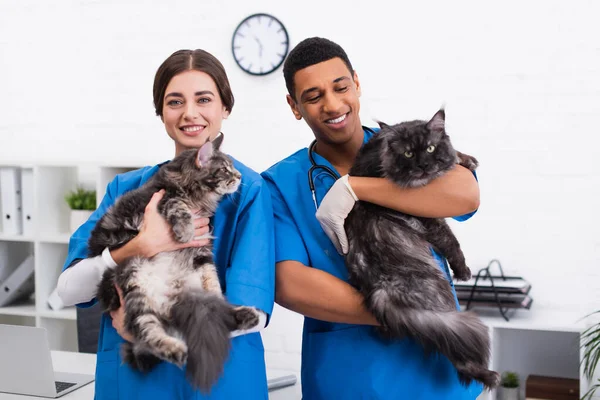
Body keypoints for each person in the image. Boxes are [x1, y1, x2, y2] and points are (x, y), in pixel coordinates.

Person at [261, 37, 483, 399]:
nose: (332, 104)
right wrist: (405, 312)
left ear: (357, 84)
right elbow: (290, 283)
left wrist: (356, 188)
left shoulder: (406, 144)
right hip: (350, 380)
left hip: (442, 378)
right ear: (294, 106)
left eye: (340, 87)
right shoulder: (279, 184)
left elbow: (465, 194)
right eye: (314, 96)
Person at [57, 49, 275, 399]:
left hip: (220, 381)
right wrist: (140, 246)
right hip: (136, 385)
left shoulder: (247, 191)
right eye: (175, 102)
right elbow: (68, 290)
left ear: (225, 108)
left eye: (204, 99)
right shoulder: (126, 187)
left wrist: (151, 332)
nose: (190, 113)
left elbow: (253, 313)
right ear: (161, 113)